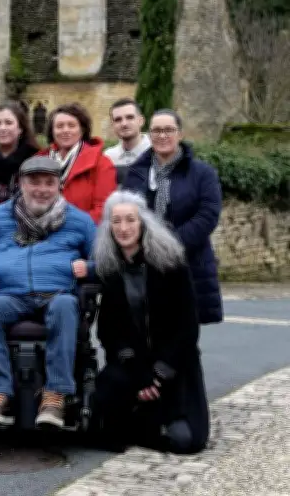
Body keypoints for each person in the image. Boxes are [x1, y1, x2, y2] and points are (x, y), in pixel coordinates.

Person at [0, 156, 95, 428]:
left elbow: (105, 262)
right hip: (10, 296)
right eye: (34, 182)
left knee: (66, 306)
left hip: (56, 294)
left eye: (49, 183)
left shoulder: (79, 221)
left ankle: (55, 396)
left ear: (60, 185)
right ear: (21, 184)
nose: (41, 189)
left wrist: (89, 268)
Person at [89, 190, 210, 454]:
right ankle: (136, 420)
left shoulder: (171, 262)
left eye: (130, 220)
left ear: (143, 222)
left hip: (174, 363)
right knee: (107, 424)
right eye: (116, 221)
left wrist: (159, 374)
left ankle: (149, 421)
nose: (123, 228)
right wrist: (139, 373)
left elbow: (188, 326)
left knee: (185, 442)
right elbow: (109, 331)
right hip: (132, 366)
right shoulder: (109, 267)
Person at [122, 109, 223, 325]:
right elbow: (126, 213)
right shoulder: (136, 173)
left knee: (183, 339)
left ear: (180, 134)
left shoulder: (203, 173)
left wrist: (169, 244)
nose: (162, 136)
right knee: (146, 333)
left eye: (169, 130)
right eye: (156, 130)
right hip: (145, 263)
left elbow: (208, 215)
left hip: (187, 262)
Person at [38, 102, 117, 223]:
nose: (65, 130)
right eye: (59, 126)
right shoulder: (38, 161)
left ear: (82, 129)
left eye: (71, 125)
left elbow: (103, 208)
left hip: (84, 234)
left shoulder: (101, 163)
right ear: (52, 131)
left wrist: (69, 229)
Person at [103, 98, 152, 184]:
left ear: (141, 121)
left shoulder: (158, 152)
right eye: (118, 120)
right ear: (112, 125)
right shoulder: (108, 157)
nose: (124, 124)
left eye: (130, 117)